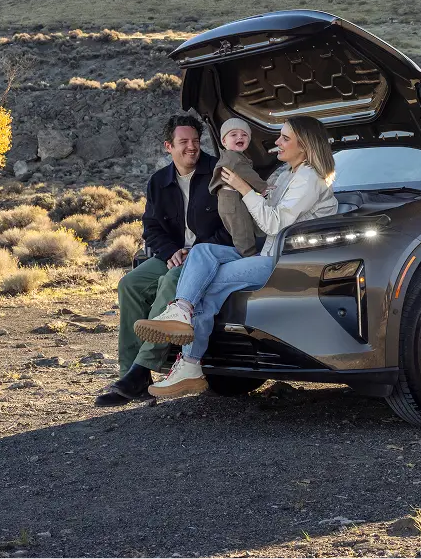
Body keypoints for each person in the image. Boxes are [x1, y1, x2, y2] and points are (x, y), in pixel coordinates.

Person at [133, 115, 339, 397]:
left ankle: (190, 363)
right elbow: (262, 218)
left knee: (208, 284)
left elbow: (273, 224)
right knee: (202, 251)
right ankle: (181, 310)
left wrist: (243, 188)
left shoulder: (309, 178)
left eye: (284, 138)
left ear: (303, 145)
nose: (277, 142)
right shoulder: (287, 175)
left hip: (286, 262)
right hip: (267, 252)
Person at [94, 115, 231, 407]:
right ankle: (131, 376)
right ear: (168, 146)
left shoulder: (218, 173)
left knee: (171, 280)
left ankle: (141, 368)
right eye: (184, 142)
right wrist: (171, 251)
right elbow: (152, 227)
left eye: (196, 141)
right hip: (174, 254)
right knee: (130, 284)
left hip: (209, 256)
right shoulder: (159, 181)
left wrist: (197, 251)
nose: (192, 147)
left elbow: (232, 226)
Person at [208, 118, 268, 257]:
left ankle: (253, 250)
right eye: (233, 134)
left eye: (244, 135)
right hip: (231, 201)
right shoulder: (232, 158)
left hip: (233, 199)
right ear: (224, 141)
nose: (239, 137)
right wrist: (264, 187)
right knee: (241, 228)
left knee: (244, 225)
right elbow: (248, 175)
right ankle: (249, 255)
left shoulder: (235, 156)